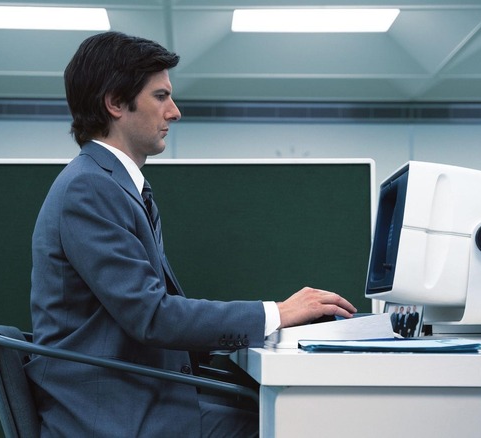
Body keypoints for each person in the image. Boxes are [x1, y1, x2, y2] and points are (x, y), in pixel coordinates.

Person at [25, 31, 357, 438]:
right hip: (112, 414)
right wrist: (276, 313)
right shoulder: (90, 187)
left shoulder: (114, 185)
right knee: (292, 419)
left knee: (277, 406)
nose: (175, 112)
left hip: (135, 394)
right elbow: (151, 316)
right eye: (161, 96)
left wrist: (274, 327)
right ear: (115, 102)